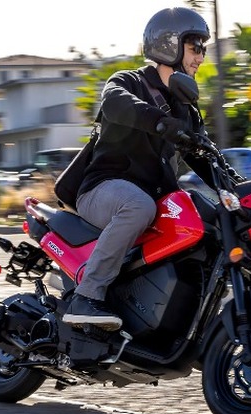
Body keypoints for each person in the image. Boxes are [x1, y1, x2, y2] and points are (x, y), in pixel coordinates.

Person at [62, 7, 212, 331]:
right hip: (102, 190)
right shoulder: (130, 81)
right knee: (138, 205)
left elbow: (205, 157)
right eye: (195, 46)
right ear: (169, 45)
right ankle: (86, 296)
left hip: (148, 203)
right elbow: (114, 102)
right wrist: (159, 123)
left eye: (204, 48)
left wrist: (238, 189)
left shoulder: (187, 111)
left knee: (203, 222)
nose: (202, 56)